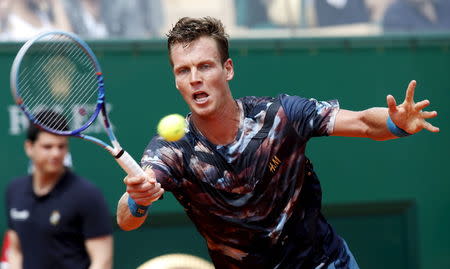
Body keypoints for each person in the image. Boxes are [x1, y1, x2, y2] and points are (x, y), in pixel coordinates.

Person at [116, 16, 439, 268]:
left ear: (227, 69)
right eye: (183, 70)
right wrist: (137, 199)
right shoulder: (171, 150)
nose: (195, 78)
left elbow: (363, 123)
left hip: (325, 263)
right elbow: (126, 220)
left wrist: (396, 123)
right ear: (175, 80)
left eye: (205, 66)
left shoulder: (280, 115)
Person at [5, 110, 113, 269]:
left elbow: (102, 262)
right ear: (29, 147)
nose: (56, 153)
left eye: (61, 146)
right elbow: (15, 250)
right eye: (47, 147)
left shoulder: (87, 195)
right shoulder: (14, 190)